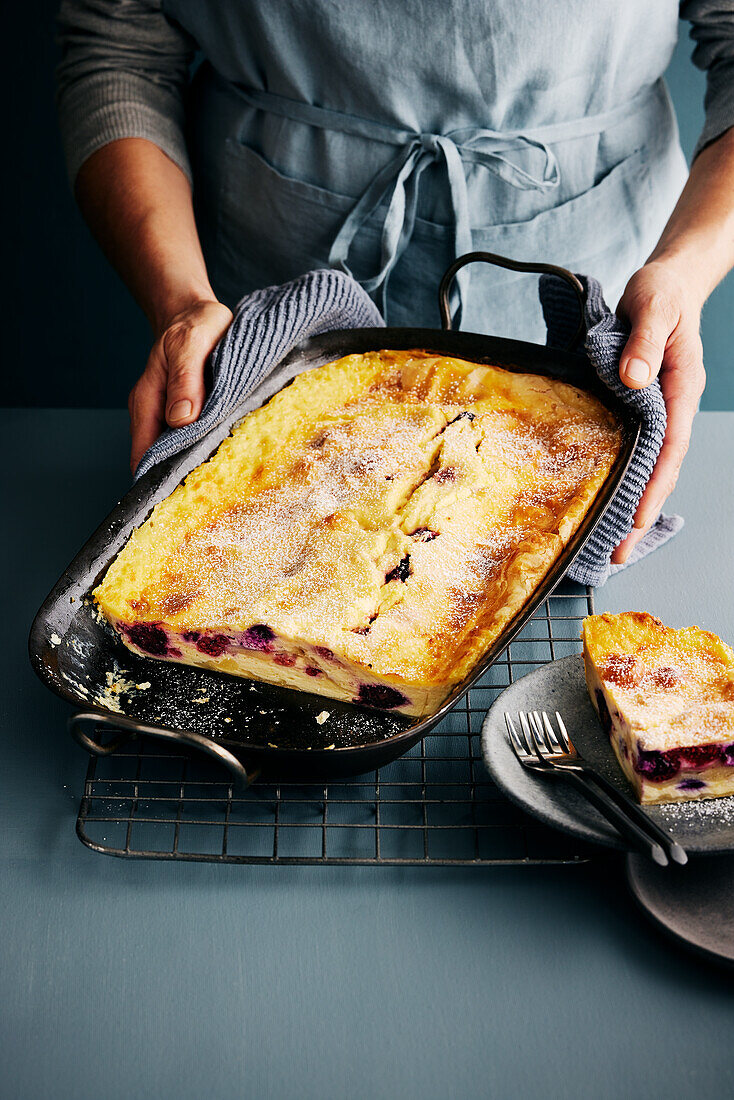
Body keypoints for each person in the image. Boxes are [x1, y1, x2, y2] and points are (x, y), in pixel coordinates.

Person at [56, 1, 734, 563]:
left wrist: (685, 269)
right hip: (268, 292)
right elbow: (120, 50)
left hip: (593, 256)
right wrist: (180, 300)